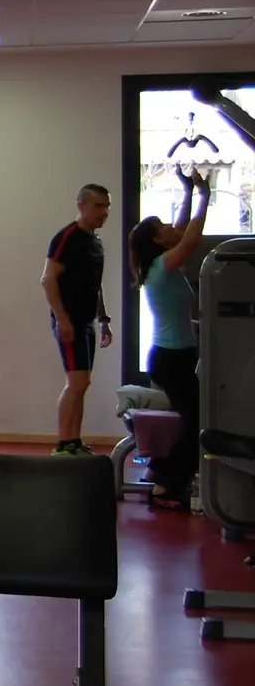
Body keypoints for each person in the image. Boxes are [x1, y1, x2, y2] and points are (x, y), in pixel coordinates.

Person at [129, 170, 211, 510]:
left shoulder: (161, 261)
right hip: (171, 358)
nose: (170, 229)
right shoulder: (164, 264)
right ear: (157, 241)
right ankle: (162, 482)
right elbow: (190, 237)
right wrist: (205, 196)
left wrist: (187, 190)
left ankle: (165, 480)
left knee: (196, 421)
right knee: (198, 425)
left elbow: (179, 229)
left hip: (174, 355)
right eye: (161, 228)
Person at [42, 184, 112, 456]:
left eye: (106, 206)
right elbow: (48, 280)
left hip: (86, 321)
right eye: (98, 206)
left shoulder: (95, 242)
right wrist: (62, 319)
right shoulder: (67, 238)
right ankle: (63, 444)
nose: (104, 212)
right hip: (69, 320)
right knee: (76, 383)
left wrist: (103, 319)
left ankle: (74, 440)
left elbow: (96, 286)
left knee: (82, 383)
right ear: (81, 206)